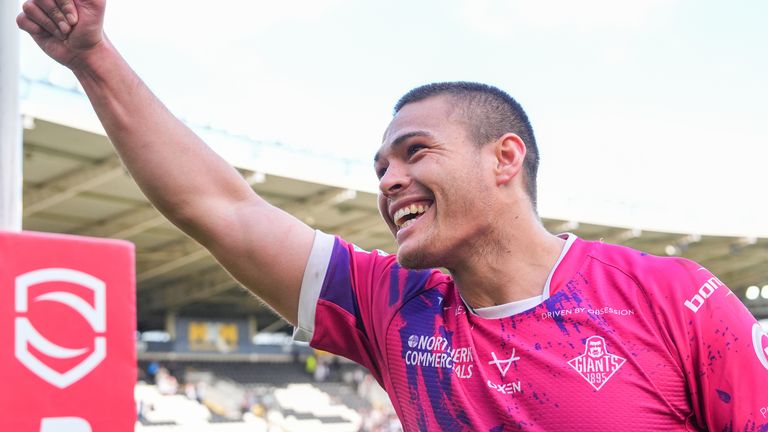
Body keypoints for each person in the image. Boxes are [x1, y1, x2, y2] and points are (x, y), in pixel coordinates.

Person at [17, 1, 767, 430]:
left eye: (415, 152)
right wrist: (92, 59)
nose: (390, 180)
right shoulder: (396, 308)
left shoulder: (674, 298)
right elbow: (222, 211)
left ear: (505, 159)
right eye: (381, 167)